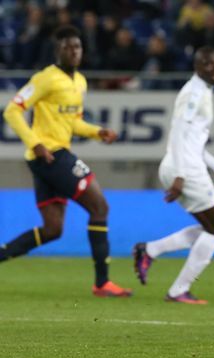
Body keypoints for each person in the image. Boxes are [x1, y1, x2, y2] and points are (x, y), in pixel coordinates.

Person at [1, 25, 132, 298]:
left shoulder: (80, 82)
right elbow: (13, 110)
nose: (73, 51)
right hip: (50, 155)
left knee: (52, 229)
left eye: (77, 47)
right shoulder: (45, 78)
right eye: (67, 47)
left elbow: (72, 122)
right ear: (57, 50)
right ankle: (102, 282)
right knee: (100, 206)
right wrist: (34, 143)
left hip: (49, 158)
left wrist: (97, 132)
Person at [133, 47, 214, 304]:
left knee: (210, 228)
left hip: (184, 164)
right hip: (185, 168)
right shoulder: (193, 93)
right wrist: (180, 175)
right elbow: (179, 132)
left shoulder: (202, 91)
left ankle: (150, 250)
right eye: (209, 64)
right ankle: (178, 290)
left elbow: (193, 140)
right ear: (197, 66)